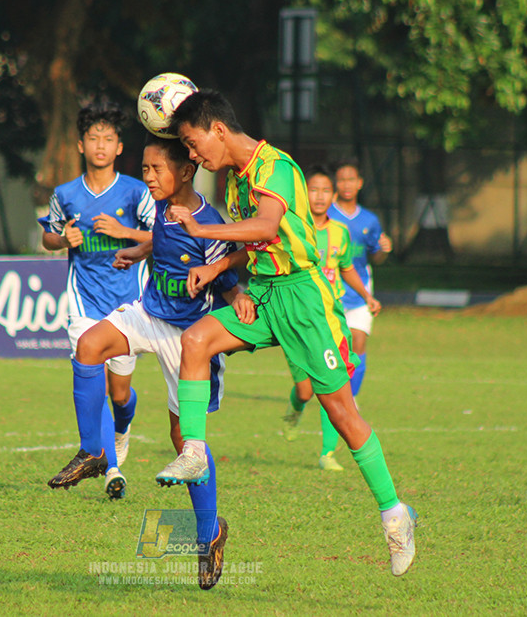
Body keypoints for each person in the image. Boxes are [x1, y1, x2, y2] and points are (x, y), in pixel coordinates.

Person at [161, 89, 418, 577]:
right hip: (262, 292)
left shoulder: (274, 165)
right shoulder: (235, 180)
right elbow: (255, 240)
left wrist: (198, 230)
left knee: (341, 413)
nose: (193, 157)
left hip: (302, 298)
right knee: (195, 340)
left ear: (217, 129)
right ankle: (194, 450)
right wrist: (219, 273)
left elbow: (267, 224)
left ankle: (394, 514)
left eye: (194, 145)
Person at [74, 134, 253, 589]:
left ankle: (210, 534)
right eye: (145, 168)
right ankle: (95, 451)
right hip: (148, 313)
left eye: (156, 169)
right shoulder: (160, 206)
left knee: (183, 440)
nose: (147, 176)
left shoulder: (209, 222)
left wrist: (238, 296)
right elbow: (163, 238)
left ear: (186, 172)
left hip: (189, 337)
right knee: (89, 346)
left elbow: (228, 270)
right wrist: (140, 249)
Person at [38, 102, 154, 499]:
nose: (100, 145)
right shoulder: (66, 194)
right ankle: (110, 467)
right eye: (93, 138)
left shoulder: (137, 192)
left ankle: (122, 431)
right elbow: (48, 237)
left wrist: (125, 231)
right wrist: (62, 239)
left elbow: (161, 238)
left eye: (108, 139)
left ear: (119, 147)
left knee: (121, 395)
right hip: (84, 303)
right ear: (81, 145)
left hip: (127, 306)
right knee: (98, 382)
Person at [282, 169, 382, 472]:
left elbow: (347, 267)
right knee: (305, 390)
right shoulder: (293, 226)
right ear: (304, 193)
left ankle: (327, 452)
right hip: (299, 319)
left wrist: (366, 295)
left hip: (330, 318)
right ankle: (294, 411)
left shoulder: (340, 231)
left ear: (333, 195)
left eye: (326, 190)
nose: (320, 196)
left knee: (332, 383)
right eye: (314, 189)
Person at [326, 158, 392, 403]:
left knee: (358, 343)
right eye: (341, 180)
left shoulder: (369, 220)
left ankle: (350, 399)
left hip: (360, 288)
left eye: (351, 179)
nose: (346, 184)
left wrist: (383, 249)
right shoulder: (326, 215)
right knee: (331, 348)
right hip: (330, 290)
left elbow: (376, 257)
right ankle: (331, 394)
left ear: (360, 183)